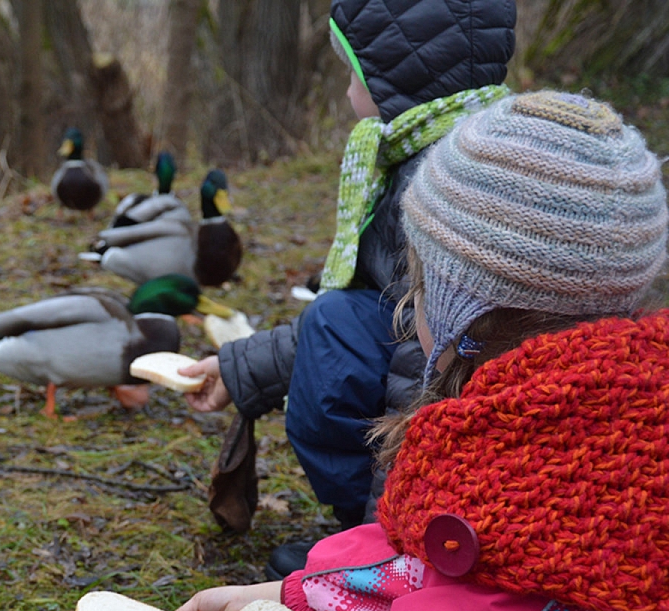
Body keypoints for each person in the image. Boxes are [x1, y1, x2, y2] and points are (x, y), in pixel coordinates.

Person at [36, 91, 669, 611]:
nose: (406, 309)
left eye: (418, 287)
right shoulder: (599, 430)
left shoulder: (546, 494)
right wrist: (287, 599)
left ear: (462, 306)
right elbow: (438, 574)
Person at [182, 0, 515, 579]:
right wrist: (241, 371)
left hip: (469, 431)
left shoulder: (438, 190)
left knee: (334, 324)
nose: (345, 92)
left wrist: (379, 558)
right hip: (471, 413)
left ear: (396, 77)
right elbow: (374, 313)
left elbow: (421, 375)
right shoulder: (451, 150)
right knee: (337, 319)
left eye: (354, 73)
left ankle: (386, 543)